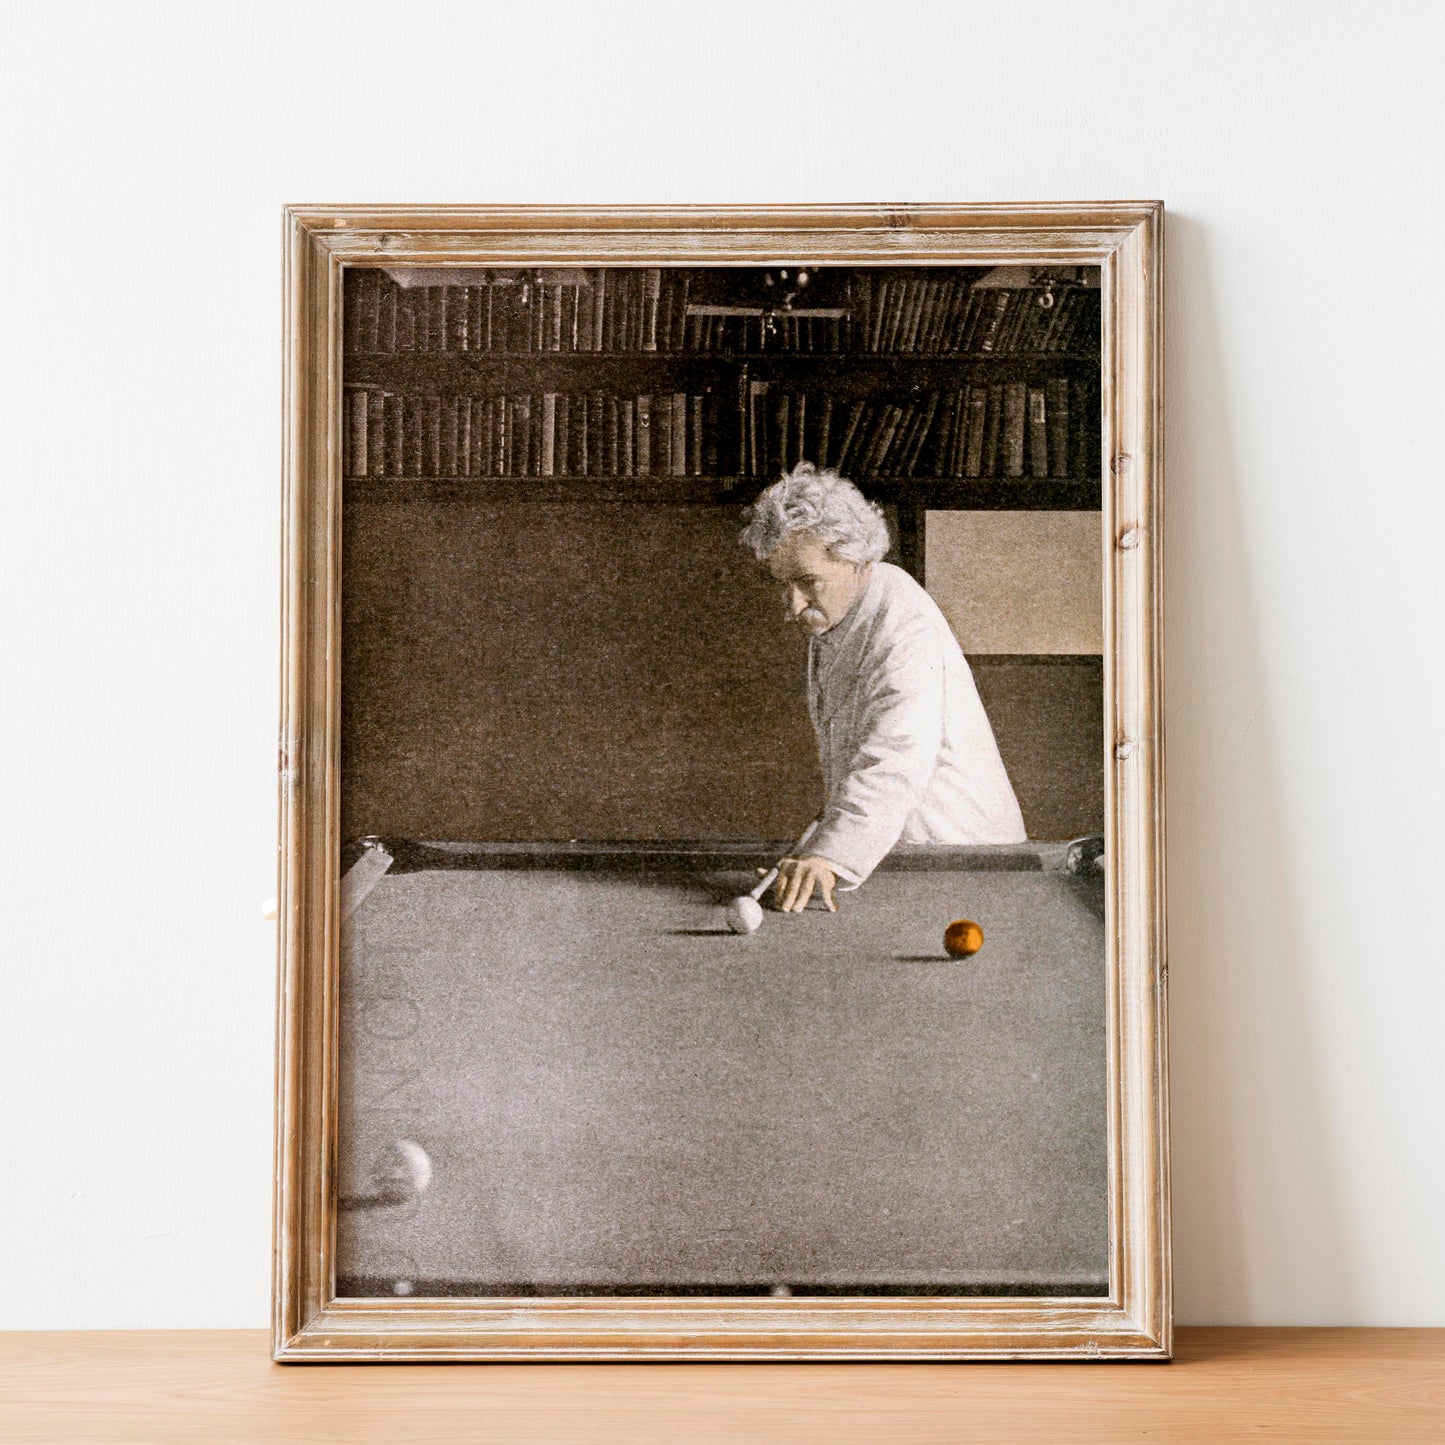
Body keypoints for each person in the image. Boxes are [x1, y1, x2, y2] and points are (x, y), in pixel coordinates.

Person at [740, 463, 1027, 913]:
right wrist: (818, 847)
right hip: (908, 850)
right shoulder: (839, 615)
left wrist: (828, 855)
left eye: (807, 582)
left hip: (968, 855)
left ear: (856, 560)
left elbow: (896, 754)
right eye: (783, 584)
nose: (792, 605)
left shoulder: (904, 624)